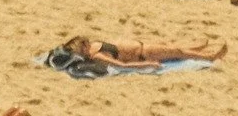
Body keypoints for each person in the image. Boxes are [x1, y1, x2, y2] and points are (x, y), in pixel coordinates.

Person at [61, 37, 226, 74]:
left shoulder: (94, 46)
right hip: (143, 54)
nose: (86, 43)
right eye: (83, 45)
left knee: (172, 48)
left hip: (141, 46)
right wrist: (147, 64)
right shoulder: (96, 55)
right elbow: (122, 65)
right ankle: (211, 57)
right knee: (177, 52)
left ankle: (195, 48)